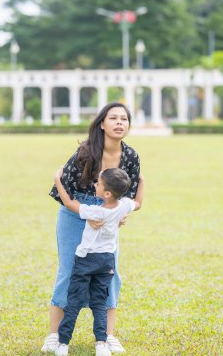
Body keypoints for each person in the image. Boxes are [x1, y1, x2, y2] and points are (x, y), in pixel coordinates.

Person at [41, 102, 143, 354]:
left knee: (110, 273)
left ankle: (108, 336)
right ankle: (54, 335)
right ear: (101, 124)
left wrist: (116, 216)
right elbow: (62, 190)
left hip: (105, 218)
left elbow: (128, 195)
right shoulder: (85, 153)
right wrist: (87, 214)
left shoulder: (130, 156)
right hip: (75, 214)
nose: (120, 123)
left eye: (124, 119)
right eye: (114, 118)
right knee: (68, 270)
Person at [53, 167, 143, 356]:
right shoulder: (124, 205)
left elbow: (69, 203)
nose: (95, 185)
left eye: (98, 184)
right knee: (100, 303)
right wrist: (141, 180)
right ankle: (101, 344)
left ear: (107, 193)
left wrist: (58, 180)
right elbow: (138, 203)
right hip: (106, 260)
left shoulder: (95, 211)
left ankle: (62, 344)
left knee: (74, 302)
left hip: (86, 260)